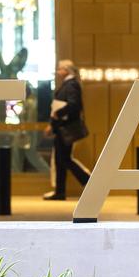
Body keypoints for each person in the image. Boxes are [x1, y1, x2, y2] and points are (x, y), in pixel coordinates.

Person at [43, 59, 91, 200]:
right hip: (62, 128)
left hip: (66, 128)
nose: (58, 72)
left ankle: (87, 181)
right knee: (61, 160)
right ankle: (60, 191)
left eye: (59, 69)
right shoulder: (70, 84)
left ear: (66, 70)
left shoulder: (71, 85)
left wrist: (57, 114)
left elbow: (74, 105)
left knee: (64, 159)